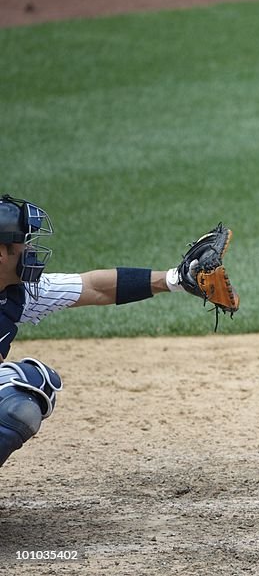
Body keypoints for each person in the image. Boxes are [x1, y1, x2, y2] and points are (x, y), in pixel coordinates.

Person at [0, 194, 236, 467]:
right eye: (22, 243)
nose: (30, 250)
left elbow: (93, 287)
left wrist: (175, 279)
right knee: (19, 394)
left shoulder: (16, 293)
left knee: (36, 386)